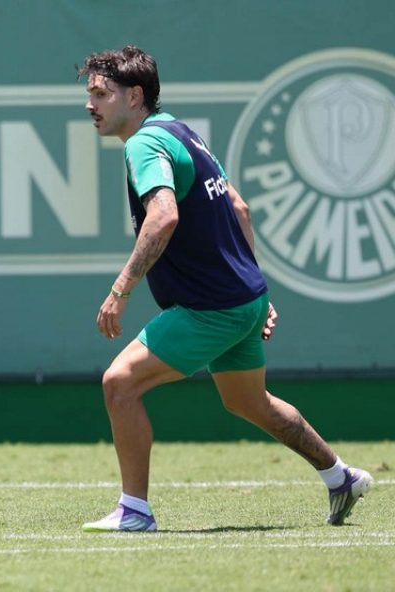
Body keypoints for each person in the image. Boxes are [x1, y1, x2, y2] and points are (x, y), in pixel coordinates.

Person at [77, 45, 372, 532]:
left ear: (134, 96)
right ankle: (340, 476)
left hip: (210, 308)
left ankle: (135, 511)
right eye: (89, 94)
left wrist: (121, 288)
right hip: (242, 300)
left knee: (119, 384)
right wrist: (256, 290)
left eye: (101, 94)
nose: (91, 105)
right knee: (248, 403)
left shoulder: (144, 145)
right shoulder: (181, 131)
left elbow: (164, 216)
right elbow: (239, 208)